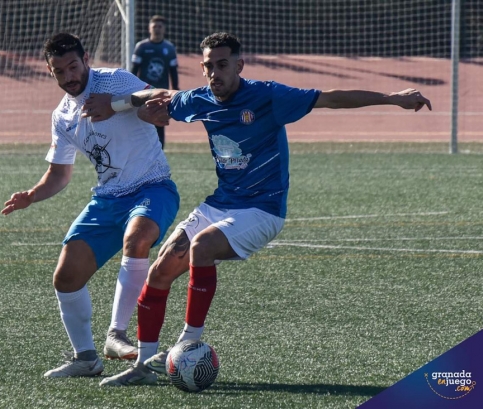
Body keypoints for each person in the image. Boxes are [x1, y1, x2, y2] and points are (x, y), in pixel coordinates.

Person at [90, 32, 432, 386]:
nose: (214, 73)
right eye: (208, 67)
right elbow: (161, 95)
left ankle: (189, 342)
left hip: (263, 210)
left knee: (201, 247)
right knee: (160, 268)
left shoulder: (268, 95)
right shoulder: (200, 100)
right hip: (221, 203)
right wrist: (115, 105)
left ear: (239, 65)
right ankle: (144, 366)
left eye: (222, 65)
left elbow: (331, 98)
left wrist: (393, 98)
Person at [0, 33, 180, 378]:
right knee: (66, 277)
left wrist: (116, 104)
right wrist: (32, 195)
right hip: (107, 199)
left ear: (85, 59)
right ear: (50, 72)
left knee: (137, 238)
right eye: (59, 71)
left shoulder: (114, 79)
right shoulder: (62, 115)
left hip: (152, 186)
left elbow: (161, 95)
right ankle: (85, 358)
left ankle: (117, 334)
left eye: (73, 66)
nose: (69, 76)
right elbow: (59, 174)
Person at [130, 15, 179, 149]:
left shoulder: (169, 48)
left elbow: (173, 72)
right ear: (149, 28)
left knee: (160, 123)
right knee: (140, 123)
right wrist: (130, 89)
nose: (157, 29)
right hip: (143, 93)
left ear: (164, 29)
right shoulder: (141, 47)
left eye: (160, 26)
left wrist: (176, 91)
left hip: (161, 94)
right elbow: (134, 70)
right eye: (154, 26)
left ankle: (159, 154)